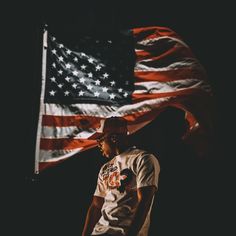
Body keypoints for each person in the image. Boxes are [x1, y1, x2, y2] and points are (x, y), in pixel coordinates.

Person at [82, 117, 160, 236]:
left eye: (100, 140)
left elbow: (145, 200)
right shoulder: (105, 167)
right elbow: (96, 206)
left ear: (114, 138)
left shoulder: (143, 159)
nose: (98, 145)